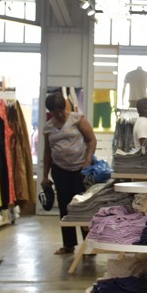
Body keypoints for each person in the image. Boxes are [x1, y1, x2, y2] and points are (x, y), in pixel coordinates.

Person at [40, 91, 97, 255]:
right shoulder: (48, 127)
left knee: (83, 206)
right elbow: (47, 152)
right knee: (65, 207)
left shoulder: (77, 119)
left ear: (63, 107)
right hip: (59, 170)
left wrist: (87, 160)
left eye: (59, 110)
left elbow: (91, 139)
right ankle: (69, 244)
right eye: (53, 111)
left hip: (81, 169)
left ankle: (89, 245)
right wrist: (45, 176)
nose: (57, 114)